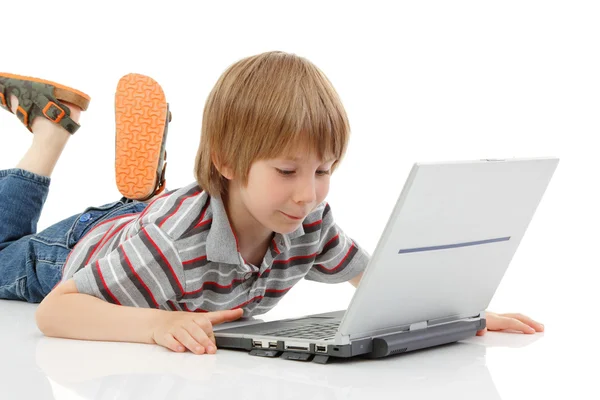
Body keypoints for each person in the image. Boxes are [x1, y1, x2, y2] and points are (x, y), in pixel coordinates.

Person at [0, 51, 544, 356]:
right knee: (6, 250)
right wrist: (151, 326)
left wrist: (461, 316)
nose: (308, 192)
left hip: (155, 230)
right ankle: (50, 135)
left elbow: (379, 280)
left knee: (157, 222)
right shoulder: (168, 248)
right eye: (287, 171)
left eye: (323, 170)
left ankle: (144, 198)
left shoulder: (306, 223)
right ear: (228, 163)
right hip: (79, 253)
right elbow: (56, 311)